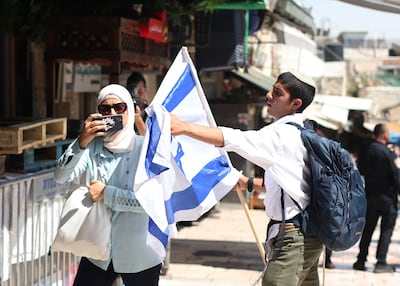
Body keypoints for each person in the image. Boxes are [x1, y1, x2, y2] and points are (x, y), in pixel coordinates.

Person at [170, 71, 324, 286]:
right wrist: (248, 183)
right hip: (306, 234)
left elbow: (234, 139)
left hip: (295, 237)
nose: (268, 95)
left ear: (295, 103)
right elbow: (291, 186)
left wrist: (184, 128)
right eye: (272, 89)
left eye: (278, 93)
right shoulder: (302, 132)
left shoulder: (281, 135)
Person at [54, 84, 162, 285]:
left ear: (128, 109)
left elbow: (150, 202)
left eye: (118, 108)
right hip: (98, 251)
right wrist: (81, 140)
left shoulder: (144, 149)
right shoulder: (93, 146)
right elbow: (60, 176)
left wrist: (107, 194)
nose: (112, 113)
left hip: (140, 254)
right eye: (105, 109)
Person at [353, 123, 399, 273]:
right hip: (387, 198)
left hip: (370, 196)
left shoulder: (366, 150)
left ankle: (360, 260)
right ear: (385, 135)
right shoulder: (388, 153)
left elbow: (361, 169)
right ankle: (381, 262)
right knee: (386, 230)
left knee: (367, 230)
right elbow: (396, 176)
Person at [126, 71, 149, 135]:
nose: (136, 96)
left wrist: (137, 119)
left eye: (140, 91)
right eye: (133, 92)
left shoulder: (151, 114)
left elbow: (150, 140)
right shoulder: (124, 112)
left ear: (146, 90)